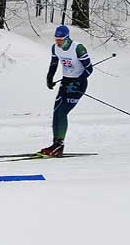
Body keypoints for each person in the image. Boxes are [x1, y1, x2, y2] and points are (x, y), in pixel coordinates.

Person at [39, 25, 94, 157]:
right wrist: (49, 77)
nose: (58, 42)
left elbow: (89, 69)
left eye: (61, 40)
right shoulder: (55, 48)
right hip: (65, 82)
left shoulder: (78, 48)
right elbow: (54, 63)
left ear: (67, 38)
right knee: (56, 111)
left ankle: (60, 145)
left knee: (63, 111)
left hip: (78, 84)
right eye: (56, 39)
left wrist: (78, 82)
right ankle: (55, 144)